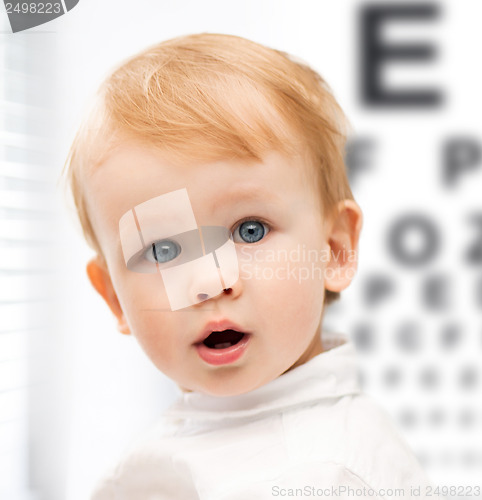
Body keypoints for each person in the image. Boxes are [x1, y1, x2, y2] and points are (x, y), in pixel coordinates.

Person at [63, 33, 434, 499]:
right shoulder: (194, 435)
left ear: (334, 249)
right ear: (115, 297)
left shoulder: (322, 473)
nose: (208, 283)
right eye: (162, 251)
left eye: (249, 230)